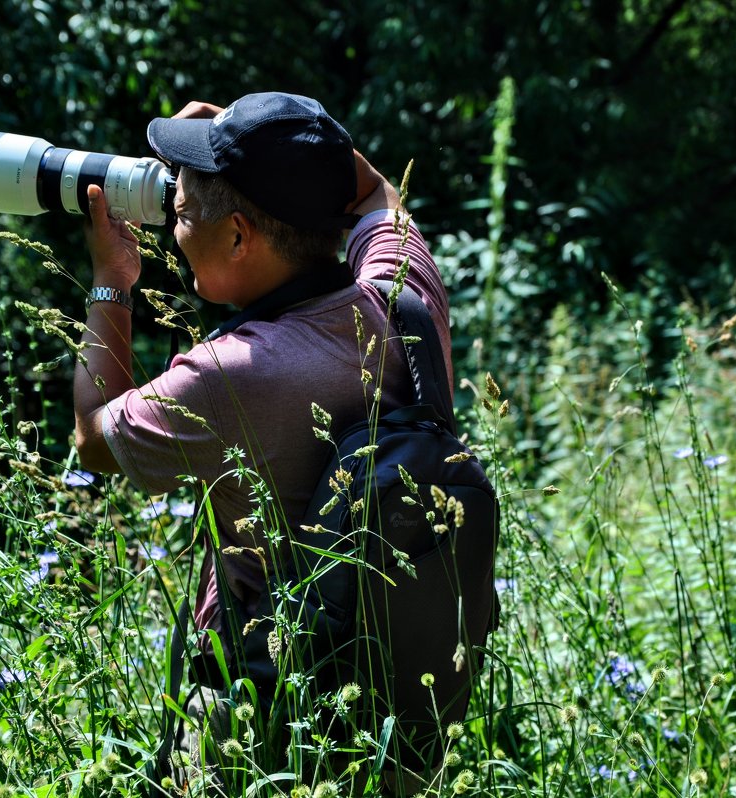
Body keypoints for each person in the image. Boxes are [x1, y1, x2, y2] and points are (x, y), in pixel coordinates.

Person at [72, 92, 454, 790]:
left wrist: (111, 282)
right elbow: (377, 192)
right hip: (408, 717)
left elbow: (95, 438)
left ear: (240, 236)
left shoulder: (231, 375)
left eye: (183, 216)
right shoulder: (404, 296)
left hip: (262, 728)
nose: (175, 229)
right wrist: (280, 139)